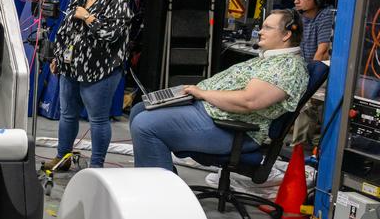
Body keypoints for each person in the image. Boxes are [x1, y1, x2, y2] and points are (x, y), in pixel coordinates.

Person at [129, 9, 308, 171]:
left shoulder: (287, 67)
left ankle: (159, 196)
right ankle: (162, 178)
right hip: (212, 112)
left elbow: (249, 101)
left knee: (145, 125)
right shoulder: (271, 59)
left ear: (286, 35)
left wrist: (202, 93)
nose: (260, 32)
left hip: (231, 128)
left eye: (268, 28)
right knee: (140, 109)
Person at [42, 0, 133, 172]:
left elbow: (111, 34)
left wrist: (88, 17)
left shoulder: (118, 2)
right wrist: (57, 57)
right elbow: (65, 30)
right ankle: (62, 157)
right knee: (67, 114)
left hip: (101, 70)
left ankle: (96, 165)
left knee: (98, 119)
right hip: (71, 66)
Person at [290, 0, 334, 145]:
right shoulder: (297, 16)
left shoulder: (325, 16)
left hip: (320, 73)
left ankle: (298, 149)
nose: (296, 1)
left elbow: (322, 52)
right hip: (303, 70)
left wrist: (305, 80)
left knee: (306, 103)